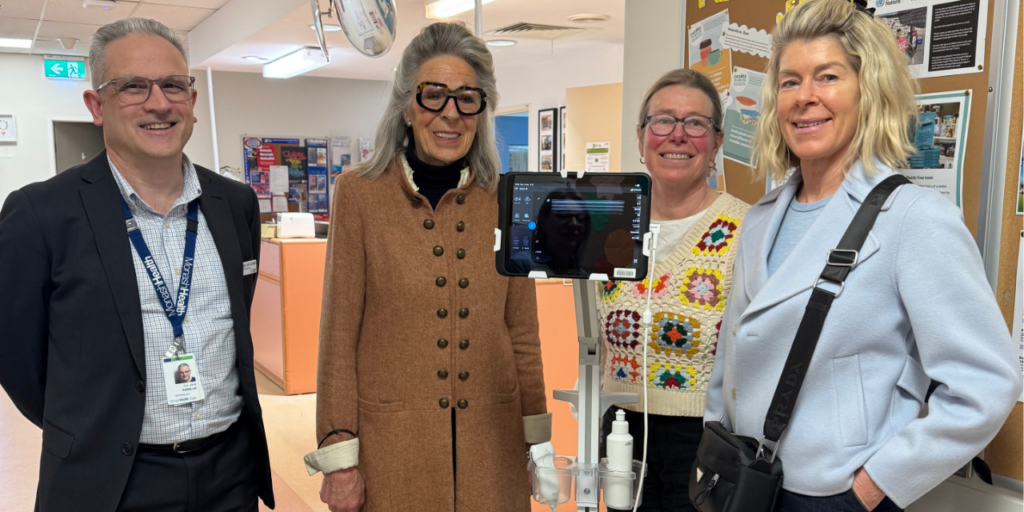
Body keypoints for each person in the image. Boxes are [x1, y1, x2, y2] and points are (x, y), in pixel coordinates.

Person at [704, 1, 1023, 511]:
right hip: (743, 479)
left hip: (830, 494)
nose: (805, 97)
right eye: (789, 82)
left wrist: (873, 488)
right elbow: (735, 350)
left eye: (827, 76)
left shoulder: (913, 217)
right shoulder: (762, 216)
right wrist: (714, 428)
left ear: (867, 91)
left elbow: (985, 384)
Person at [0, 18, 274, 511]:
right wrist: (88, 427)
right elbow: (17, 358)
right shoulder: (40, 214)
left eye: (173, 85)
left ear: (192, 101)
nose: (158, 103)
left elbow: (237, 321)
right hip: (108, 481)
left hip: (229, 473)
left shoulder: (235, 204)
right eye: (133, 87)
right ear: (95, 105)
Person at [303, 22, 550, 512]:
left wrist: (536, 438)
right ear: (406, 105)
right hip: (393, 448)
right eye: (434, 95)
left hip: (494, 449)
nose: (450, 114)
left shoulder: (505, 199)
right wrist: (338, 455)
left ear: (482, 109)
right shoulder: (360, 195)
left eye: (467, 98)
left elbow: (522, 331)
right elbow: (337, 337)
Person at [599, 68, 750, 512]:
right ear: (642, 136)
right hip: (621, 433)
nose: (677, 135)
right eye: (663, 121)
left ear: (717, 141)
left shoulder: (747, 229)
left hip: (706, 442)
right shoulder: (611, 225)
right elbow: (590, 340)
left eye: (696, 124)